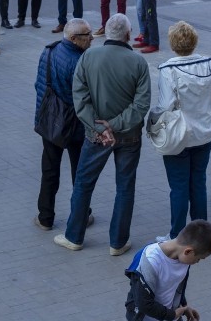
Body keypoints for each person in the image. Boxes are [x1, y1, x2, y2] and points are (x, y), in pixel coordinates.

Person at [54, 14, 151, 256]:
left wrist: (101, 128)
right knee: (125, 187)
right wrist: (116, 125)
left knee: (83, 184)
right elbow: (141, 106)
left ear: (105, 33)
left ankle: (74, 237)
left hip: (95, 136)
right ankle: (118, 242)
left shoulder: (88, 56)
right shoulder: (138, 62)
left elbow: (80, 98)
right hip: (129, 137)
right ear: (128, 35)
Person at [154, 22, 211, 240]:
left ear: (172, 44)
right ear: (194, 42)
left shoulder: (168, 69)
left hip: (177, 137)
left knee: (179, 187)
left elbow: (164, 105)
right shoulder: (207, 64)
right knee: (198, 182)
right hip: (204, 133)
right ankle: (201, 235)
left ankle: (176, 236)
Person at [33, 18, 93, 230]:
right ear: (75, 39)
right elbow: (84, 98)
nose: (92, 38)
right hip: (74, 125)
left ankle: (45, 217)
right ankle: (81, 216)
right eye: (88, 35)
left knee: (50, 170)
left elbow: (38, 84)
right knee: (80, 172)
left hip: (49, 121)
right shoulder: (80, 62)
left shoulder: (49, 51)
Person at [124, 220, 211, 321]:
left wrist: (183, 307)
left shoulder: (183, 258)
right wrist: (172, 315)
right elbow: (143, 303)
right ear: (188, 251)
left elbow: (175, 286)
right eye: (199, 259)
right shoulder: (149, 261)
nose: (197, 262)